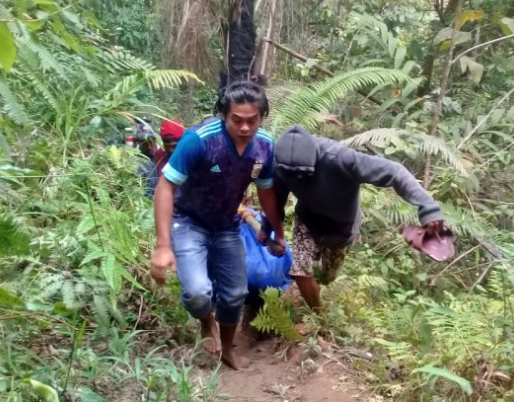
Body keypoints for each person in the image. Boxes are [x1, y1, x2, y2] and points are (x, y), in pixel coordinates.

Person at [149, 81, 287, 370]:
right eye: (237, 120)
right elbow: (165, 186)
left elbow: (265, 190)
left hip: (227, 225)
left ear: (262, 117)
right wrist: (163, 246)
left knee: (236, 292)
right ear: (224, 114)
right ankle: (205, 321)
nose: (245, 128)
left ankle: (227, 347)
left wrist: (275, 230)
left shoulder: (264, 146)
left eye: (253, 120)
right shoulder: (199, 140)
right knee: (198, 292)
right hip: (188, 221)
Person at [261, 125, 446, 313]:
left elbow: (395, 172)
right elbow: (276, 199)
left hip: (341, 229)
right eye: (293, 176)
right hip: (307, 221)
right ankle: (320, 319)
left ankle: (314, 286)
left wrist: (429, 209)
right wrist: (267, 228)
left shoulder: (340, 159)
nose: (298, 179)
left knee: (326, 277)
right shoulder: (280, 165)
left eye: (304, 174)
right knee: (300, 272)